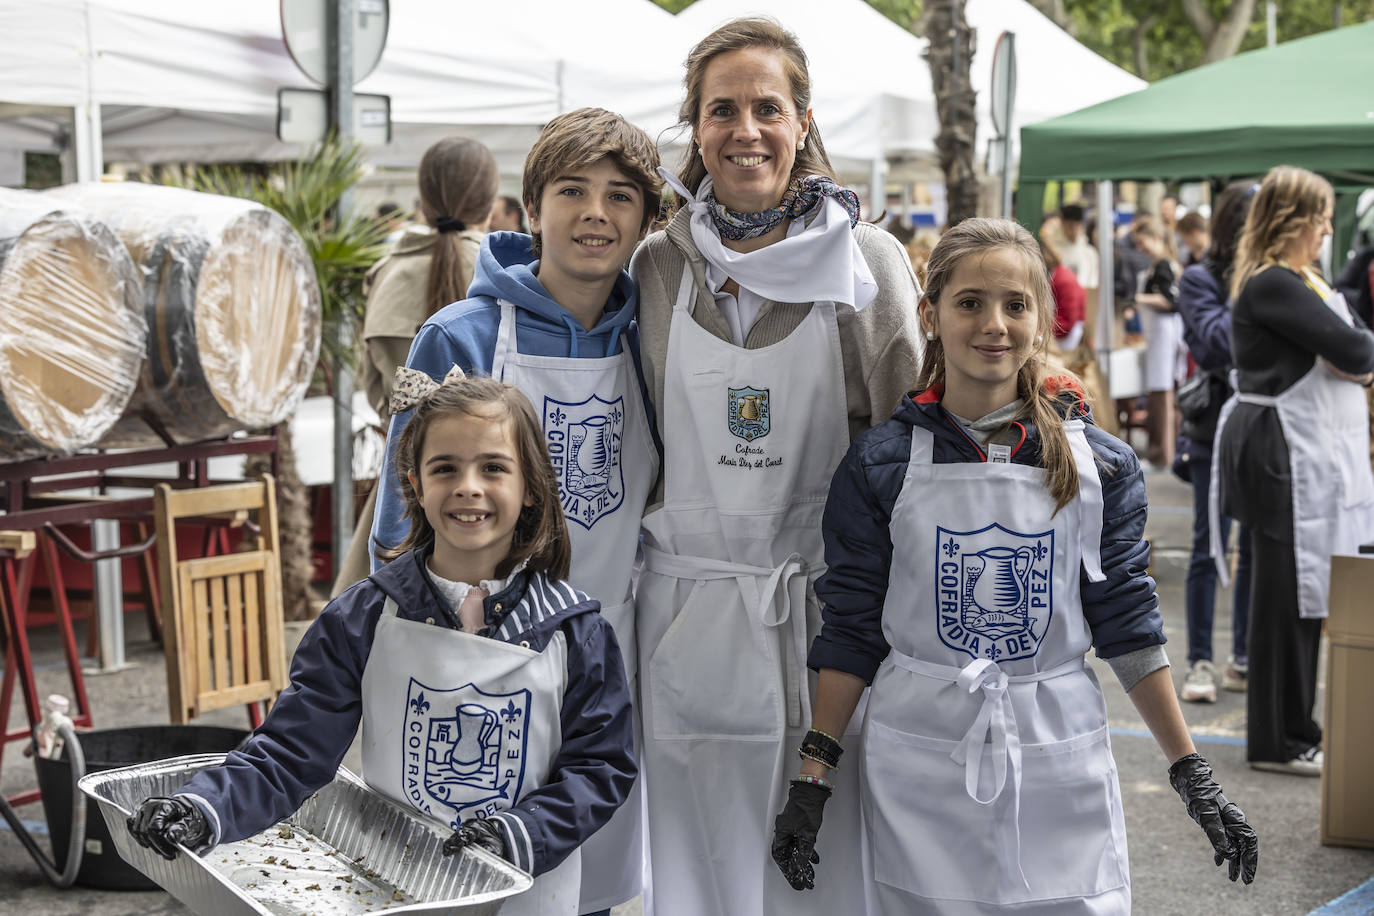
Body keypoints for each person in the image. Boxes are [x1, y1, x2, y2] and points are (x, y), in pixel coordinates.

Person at [771, 217, 1258, 913]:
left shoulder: (1101, 467)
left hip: (1057, 754)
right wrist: (812, 779)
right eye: (969, 302)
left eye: (1014, 304)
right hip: (921, 763)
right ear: (929, 316)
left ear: (1043, 320)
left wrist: (1191, 771)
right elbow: (851, 628)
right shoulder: (879, 464)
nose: (993, 324)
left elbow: (1127, 622)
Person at [126, 373, 636, 916]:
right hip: (398, 886)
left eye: (493, 467)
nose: (468, 486)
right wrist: (205, 806)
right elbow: (290, 753)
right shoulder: (364, 617)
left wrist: (520, 834)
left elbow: (601, 769)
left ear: (531, 485)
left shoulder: (574, 631)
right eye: (445, 468)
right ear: (415, 484)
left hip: (532, 893)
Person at [628, 16, 921, 916]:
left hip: (820, 614)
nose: (744, 129)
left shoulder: (864, 264)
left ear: (802, 123)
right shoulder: (658, 269)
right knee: (697, 853)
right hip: (687, 616)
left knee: (819, 867)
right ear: (695, 127)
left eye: (767, 107)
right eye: (722, 110)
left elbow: (913, 437)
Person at [370, 108, 662, 916]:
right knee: (458, 884)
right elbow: (398, 515)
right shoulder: (459, 334)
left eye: (619, 195)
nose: (595, 213)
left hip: (604, 659)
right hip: (473, 662)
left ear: (644, 220)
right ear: (531, 208)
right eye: (572, 190)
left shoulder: (653, 339)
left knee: (587, 880)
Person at [1213, 165, 1374, 776]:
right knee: (1283, 594)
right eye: (1322, 218)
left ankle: (1298, 728)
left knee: (1307, 596)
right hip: (1280, 451)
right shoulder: (1273, 284)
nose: (1329, 230)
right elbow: (1358, 349)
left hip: (1305, 453)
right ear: (1292, 222)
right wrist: (1356, 355)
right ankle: (1279, 739)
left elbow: (1356, 343)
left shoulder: (1301, 279)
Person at [332, 136, 500, 597]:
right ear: (490, 202)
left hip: (403, 494)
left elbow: (373, 390)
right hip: (491, 499)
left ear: (423, 200)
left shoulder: (385, 274)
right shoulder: (508, 277)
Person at [1174, 182, 1255, 704]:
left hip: (1268, 431)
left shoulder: (1281, 278)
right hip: (1214, 431)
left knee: (1254, 548)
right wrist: (1256, 286)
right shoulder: (1200, 279)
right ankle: (1200, 659)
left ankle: (1244, 657)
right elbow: (1219, 343)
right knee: (1209, 546)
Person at [1130, 215, 1183, 467]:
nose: (1140, 249)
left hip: (1162, 335)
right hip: (1159, 335)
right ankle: (1163, 451)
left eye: (1142, 243)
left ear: (1155, 238)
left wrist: (1139, 299)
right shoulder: (1163, 263)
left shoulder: (1162, 265)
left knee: (1161, 394)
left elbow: (1169, 301)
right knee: (1162, 393)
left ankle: (1162, 453)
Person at [1040, 232, 1086, 350]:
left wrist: (1040, 330)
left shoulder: (1063, 279)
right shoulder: (1054, 276)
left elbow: (1066, 323)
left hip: (1067, 343)